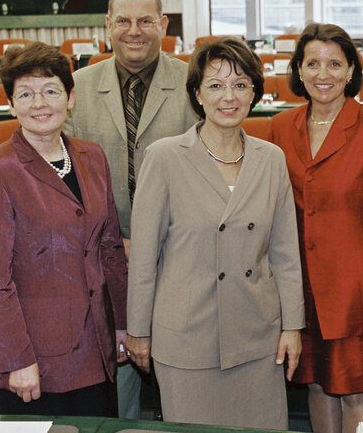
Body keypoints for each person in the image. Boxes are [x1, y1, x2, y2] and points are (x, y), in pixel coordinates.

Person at [124, 37, 304, 429]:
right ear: (197, 94)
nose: (229, 96)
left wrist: (293, 326)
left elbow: (285, 253)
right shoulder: (165, 156)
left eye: (240, 85)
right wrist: (137, 331)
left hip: (258, 336)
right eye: (216, 85)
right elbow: (143, 258)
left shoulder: (271, 159)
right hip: (188, 337)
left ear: (254, 92)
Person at [0, 41, 128, 416]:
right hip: (37, 360)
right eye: (25, 94)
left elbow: (110, 251)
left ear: (70, 98)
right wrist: (15, 359)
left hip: (97, 346)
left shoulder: (93, 156)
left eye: (51, 90)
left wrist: (122, 324)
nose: (39, 103)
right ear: (11, 105)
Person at [64, 0, 198, 418]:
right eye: (123, 20)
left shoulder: (195, 82)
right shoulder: (77, 88)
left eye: (145, 21)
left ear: (163, 25)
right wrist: (111, 239)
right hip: (106, 254)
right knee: (120, 372)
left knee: (188, 376)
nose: (134, 31)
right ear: (108, 26)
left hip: (183, 252)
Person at [268, 23, 363, 433]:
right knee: (316, 387)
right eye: (311, 63)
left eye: (334, 63)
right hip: (300, 294)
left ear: (351, 71)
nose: (322, 74)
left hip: (356, 296)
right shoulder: (280, 128)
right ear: (298, 70)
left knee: (357, 394)